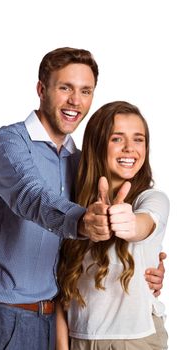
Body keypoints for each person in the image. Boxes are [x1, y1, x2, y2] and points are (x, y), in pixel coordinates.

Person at [0, 48, 165, 350]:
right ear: (42, 89)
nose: (75, 101)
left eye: (86, 91)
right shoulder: (8, 144)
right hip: (2, 318)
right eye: (65, 88)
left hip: (57, 323)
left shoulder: (81, 165)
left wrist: (147, 264)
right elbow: (32, 197)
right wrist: (82, 221)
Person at [56, 101, 169, 350]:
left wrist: (125, 222)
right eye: (117, 138)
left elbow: (144, 224)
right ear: (97, 145)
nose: (130, 148)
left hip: (136, 340)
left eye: (139, 139)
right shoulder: (70, 209)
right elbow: (61, 293)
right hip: (79, 340)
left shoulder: (151, 199)